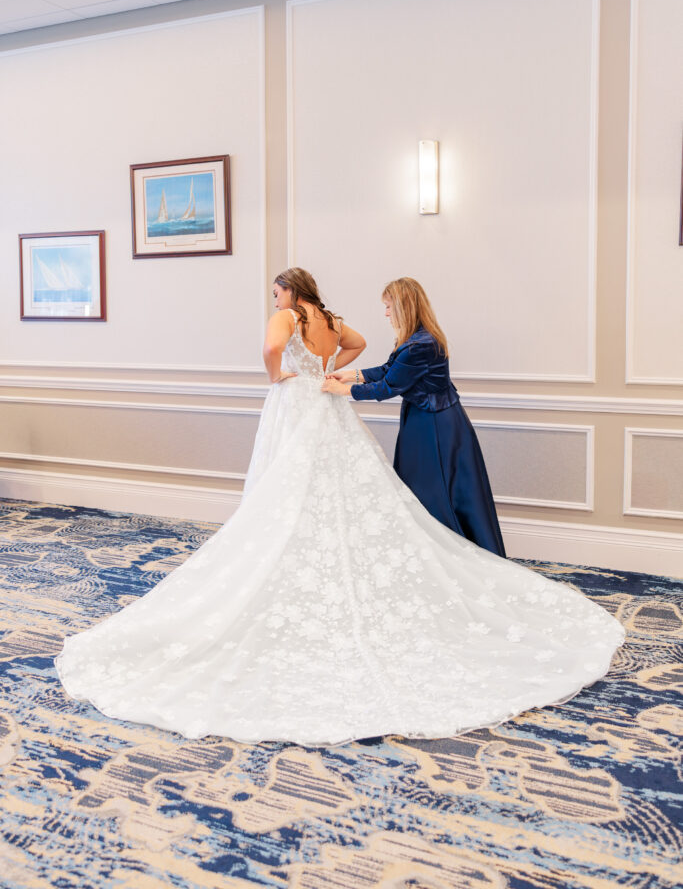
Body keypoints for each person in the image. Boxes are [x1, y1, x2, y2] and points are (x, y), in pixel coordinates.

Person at [55, 267, 624, 747]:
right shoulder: (327, 320)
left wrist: (281, 378)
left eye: (276, 293)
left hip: (303, 405)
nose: (273, 302)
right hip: (328, 405)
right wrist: (335, 375)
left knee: (290, 489)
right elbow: (361, 352)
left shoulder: (292, 317)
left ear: (288, 291)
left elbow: (272, 349)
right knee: (348, 490)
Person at [323, 277, 505, 558]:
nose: (385, 313)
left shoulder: (420, 344)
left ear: (403, 306)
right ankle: (432, 553)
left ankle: (447, 554)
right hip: (427, 419)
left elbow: (388, 387)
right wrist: (353, 374)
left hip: (434, 426)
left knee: (434, 491)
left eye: (388, 306)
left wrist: (343, 389)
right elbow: (390, 369)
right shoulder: (417, 338)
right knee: (429, 488)